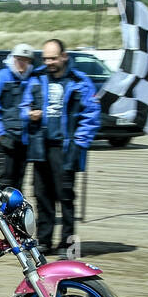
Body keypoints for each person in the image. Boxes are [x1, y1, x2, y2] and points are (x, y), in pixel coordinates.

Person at [21, 38, 100, 255]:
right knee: (42, 195)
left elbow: (91, 115)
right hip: (40, 146)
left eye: (53, 58)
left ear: (64, 56)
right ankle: (44, 241)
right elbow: (23, 106)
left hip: (65, 149)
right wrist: (28, 113)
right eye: (46, 58)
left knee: (65, 197)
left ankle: (69, 245)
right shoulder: (36, 78)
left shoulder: (79, 80)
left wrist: (79, 141)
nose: (49, 62)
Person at [0, 43, 35, 189]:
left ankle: (16, 210)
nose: (22, 63)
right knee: (5, 179)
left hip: (25, 140)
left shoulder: (32, 80)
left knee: (19, 180)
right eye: (19, 59)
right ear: (12, 58)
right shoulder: (0, 78)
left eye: (26, 60)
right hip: (7, 138)